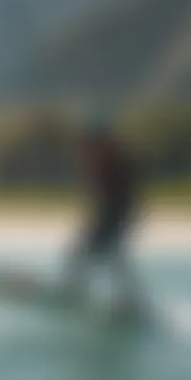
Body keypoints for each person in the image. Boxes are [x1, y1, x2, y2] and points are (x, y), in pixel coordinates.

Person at [62, 119, 144, 312]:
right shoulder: (104, 161)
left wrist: (112, 222)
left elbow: (121, 197)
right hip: (109, 217)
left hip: (114, 217)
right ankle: (78, 290)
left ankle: (127, 300)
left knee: (105, 256)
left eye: (88, 145)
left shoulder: (114, 161)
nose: (84, 150)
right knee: (94, 255)